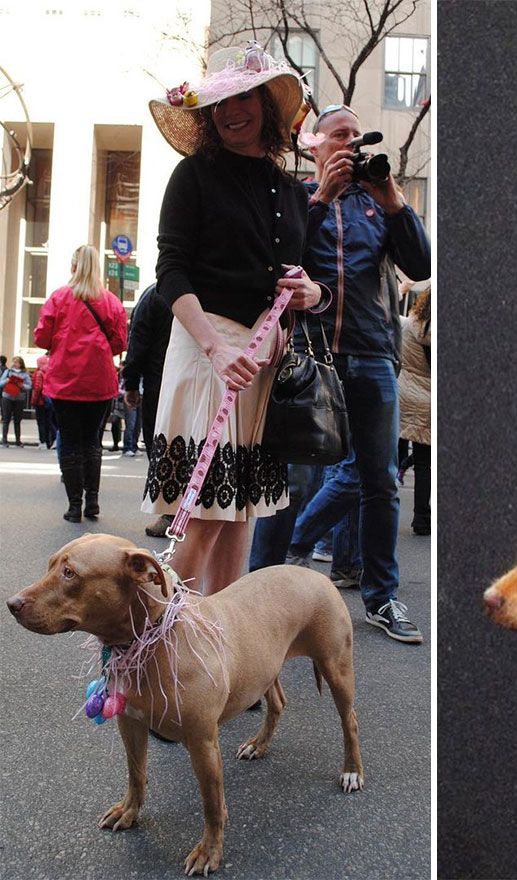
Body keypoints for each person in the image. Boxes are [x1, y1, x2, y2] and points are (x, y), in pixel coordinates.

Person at [142, 43, 325, 596]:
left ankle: (221, 658)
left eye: (243, 97)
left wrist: (310, 293)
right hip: (206, 352)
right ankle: (173, 656)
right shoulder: (193, 176)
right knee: (201, 520)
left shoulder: (293, 191)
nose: (229, 110)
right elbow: (170, 271)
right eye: (218, 102)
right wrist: (216, 349)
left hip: (263, 363)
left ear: (268, 106)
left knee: (240, 517)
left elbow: (311, 279)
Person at [280, 103, 431, 643]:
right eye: (337, 136)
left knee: (381, 482)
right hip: (309, 357)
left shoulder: (378, 203)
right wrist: (321, 196)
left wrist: (395, 203)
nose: (350, 145)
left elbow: (421, 266)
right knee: (296, 477)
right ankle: (272, 589)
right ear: (315, 143)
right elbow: (282, 257)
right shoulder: (298, 198)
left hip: (372, 356)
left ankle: (383, 598)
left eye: (355, 137)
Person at [34, 245, 128, 521]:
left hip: (64, 381)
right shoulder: (111, 301)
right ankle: (93, 503)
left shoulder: (59, 298)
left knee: (71, 443)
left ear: (73, 267)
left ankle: (75, 505)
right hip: (99, 381)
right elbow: (120, 342)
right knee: (92, 443)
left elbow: (41, 338)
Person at [122, 282, 174, 536]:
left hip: (160, 382)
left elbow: (138, 340)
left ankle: (170, 513)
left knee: (162, 449)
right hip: (201, 380)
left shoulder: (156, 293)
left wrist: (131, 383)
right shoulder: (209, 286)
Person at [397, 286, 431, 535]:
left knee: (390, 457)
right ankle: (422, 519)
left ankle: (387, 512)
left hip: (405, 397)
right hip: (429, 402)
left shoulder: (408, 325)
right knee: (424, 465)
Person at [0, 356, 32, 447]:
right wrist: (6, 381)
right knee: (6, 419)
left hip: (19, 398)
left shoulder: (25, 374)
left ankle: (18, 440)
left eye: (16, 362)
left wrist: (22, 386)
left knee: (17, 420)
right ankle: (4, 440)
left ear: (20, 364)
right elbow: (0, 383)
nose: (14, 364)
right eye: (13, 362)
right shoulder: (8, 372)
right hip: (7, 397)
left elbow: (29, 386)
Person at [31, 355, 55, 450]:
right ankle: (51, 440)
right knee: (48, 422)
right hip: (49, 400)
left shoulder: (39, 373)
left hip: (41, 401)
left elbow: (37, 388)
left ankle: (43, 441)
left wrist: (34, 401)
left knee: (41, 422)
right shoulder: (50, 372)